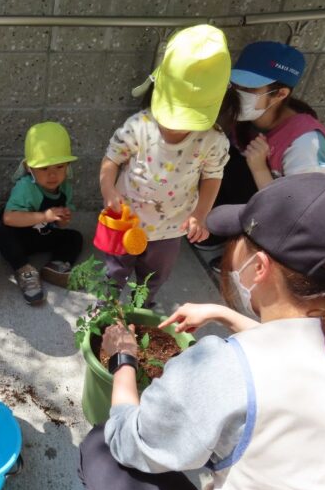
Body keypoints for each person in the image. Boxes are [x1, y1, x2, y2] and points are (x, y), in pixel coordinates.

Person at [79, 173, 325, 490]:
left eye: (238, 241)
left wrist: (124, 359)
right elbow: (292, 351)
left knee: (101, 446)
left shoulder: (224, 367)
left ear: (259, 267)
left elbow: (129, 441)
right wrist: (226, 315)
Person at [98, 24, 231, 307]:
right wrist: (108, 189)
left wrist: (201, 213)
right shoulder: (139, 125)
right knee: (114, 269)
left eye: (187, 121)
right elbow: (112, 158)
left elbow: (212, 175)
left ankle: (142, 308)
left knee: (155, 275)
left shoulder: (213, 140)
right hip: (126, 218)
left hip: (171, 227)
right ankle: (106, 307)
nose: (176, 128)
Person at [200, 41, 325, 269]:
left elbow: (305, 214)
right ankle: (223, 237)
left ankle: (257, 259)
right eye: (235, 84)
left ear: (280, 94)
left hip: (297, 226)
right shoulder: (248, 118)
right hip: (261, 195)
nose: (238, 92)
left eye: (249, 89)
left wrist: (259, 168)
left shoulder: (305, 142)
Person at [0, 121, 83, 305]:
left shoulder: (65, 188)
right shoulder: (25, 187)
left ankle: (56, 266)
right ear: (28, 168)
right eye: (44, 168)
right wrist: (44, 216)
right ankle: (24, 270)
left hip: (41, 234)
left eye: (59, 167)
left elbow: (59, 224)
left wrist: (62, 219)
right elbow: (9, 218)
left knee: (75, 237)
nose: (52, 175)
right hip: (17, 236)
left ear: (68, 166)